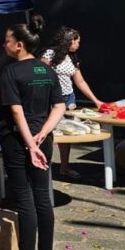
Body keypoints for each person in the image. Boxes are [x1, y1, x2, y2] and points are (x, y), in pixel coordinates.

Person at [0, 23, 65, 250]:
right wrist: (43, 134)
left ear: (19, 45)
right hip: (41, 139)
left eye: (7, 40)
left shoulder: (11, 71)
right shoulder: (47, 70)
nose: (4, 45)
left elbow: (16, 110)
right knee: (42, 196)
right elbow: (59, 106)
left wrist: (31, 145)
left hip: (18, 140)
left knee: (24, 198)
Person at [41, 27, 105, 180]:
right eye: (77, 41)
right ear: (68, 40)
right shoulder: (49, 54)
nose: (78, 44)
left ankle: (64, 166)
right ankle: (42, 165)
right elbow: (41, 76)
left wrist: (96, 101)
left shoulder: (72, 58)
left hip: (68, 98)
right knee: (48, 131)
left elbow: (80, 81)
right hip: (51, 98)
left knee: (68, 131)